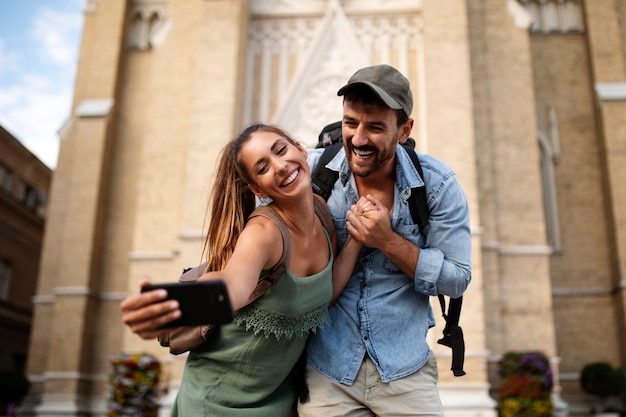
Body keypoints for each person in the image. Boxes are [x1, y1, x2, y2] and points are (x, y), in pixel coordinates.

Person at [120, 124, 370, 416]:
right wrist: (172, 307)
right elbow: (232, 286)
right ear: (257, 189)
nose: (279, 166)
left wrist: (355, 240)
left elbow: (322, 297)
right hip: (215, 402)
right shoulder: (264, 232)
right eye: (262, 168)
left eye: (281, 150)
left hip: (278, 401)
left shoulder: (321, 214)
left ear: (301, 150)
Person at [298, 64, 472, 417]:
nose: (359, 139)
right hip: (326, 374)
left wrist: (387, 240)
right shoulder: (310, 174)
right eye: (350, 123)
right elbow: (256, 230)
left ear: (404, 130)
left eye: (375, 127)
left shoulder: (437, 184)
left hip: (406, 374)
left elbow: (457, 279)